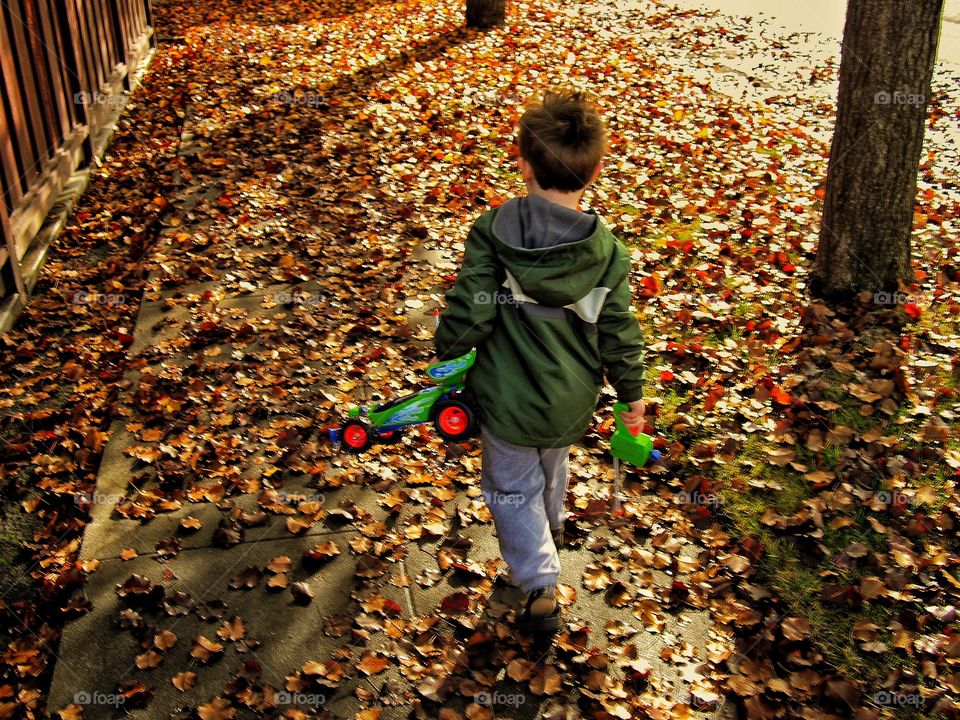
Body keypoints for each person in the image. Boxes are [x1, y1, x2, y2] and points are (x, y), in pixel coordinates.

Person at [434, 89, 647, 634]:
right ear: (595, 170)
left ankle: (538, 580)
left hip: (507, 398)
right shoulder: (609, 253)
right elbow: (617, 328)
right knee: (553, 467)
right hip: (572, 397)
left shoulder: (493, 230)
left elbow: (476, 308)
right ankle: (547, 527)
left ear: (522, 161)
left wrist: (449, 348)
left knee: (509, 488)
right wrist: (632, 394)